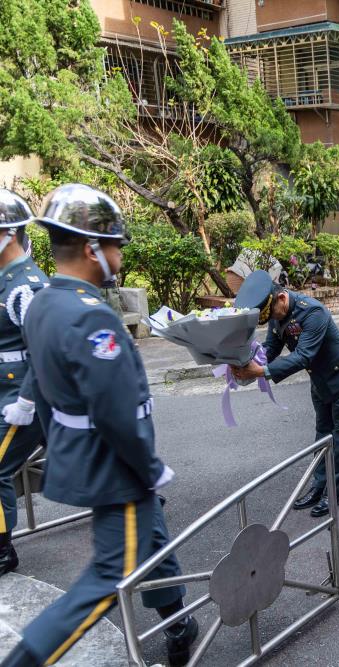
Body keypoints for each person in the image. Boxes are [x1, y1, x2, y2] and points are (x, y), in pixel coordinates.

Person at [3, 184, 198, 667]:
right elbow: (117, 416)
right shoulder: (93, 320)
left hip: (83, 460)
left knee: (152, 539)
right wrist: (149, 469)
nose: (118, 256)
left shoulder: (45, 301)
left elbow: (44, 387)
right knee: (109, 579)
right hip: (117, 470)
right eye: (114, 246)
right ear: (91, 249)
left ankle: (178, 623)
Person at [233, 270, 339, 516]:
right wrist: (243, 362)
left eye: (272, 313)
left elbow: (304, 355)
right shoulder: (276, 312)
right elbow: (271, 348)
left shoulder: (313, 312)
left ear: (282, 298)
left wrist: (260, 372)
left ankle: (334, 493)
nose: (273, 319)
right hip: (321, 381)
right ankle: (318, 485)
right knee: (322, 434)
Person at [0, 190, 48, 579]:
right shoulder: (6, 280)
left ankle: (2, 549)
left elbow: (44, 349)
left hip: (23, 395)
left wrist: (27, 401)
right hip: (7, 391)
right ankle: (131, 494)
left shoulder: (24, 285)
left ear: (9, 234)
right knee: (85, 455)